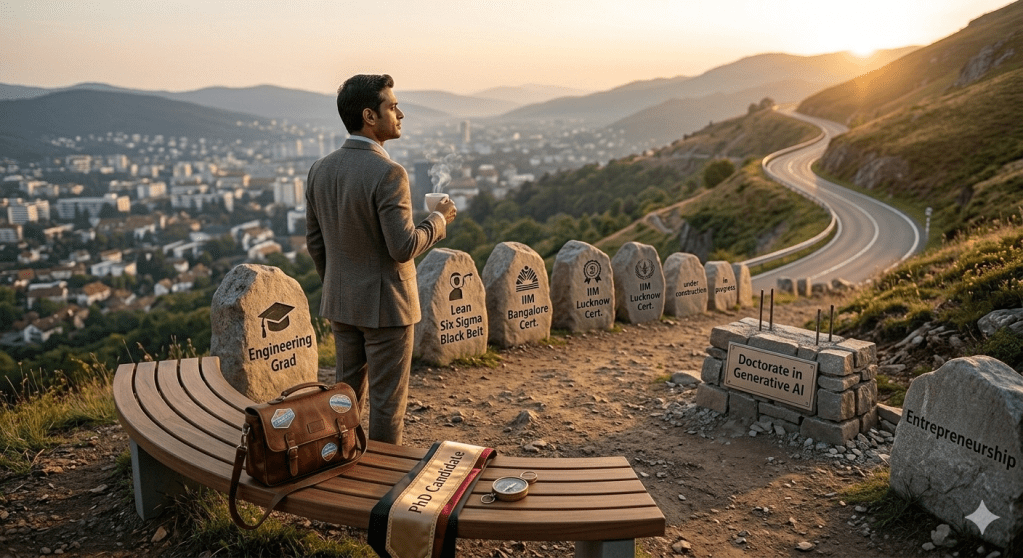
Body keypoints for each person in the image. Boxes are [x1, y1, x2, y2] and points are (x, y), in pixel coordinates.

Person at [305, 74, 456, 444]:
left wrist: (337, 285)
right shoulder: (389, 172)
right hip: (388, 307)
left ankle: (341, 461)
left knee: (345, 398)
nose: (400, 113)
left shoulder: (319, 169)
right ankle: (383, 482)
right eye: (392, 106)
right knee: (388, 405)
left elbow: (314, 242)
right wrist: (438, 221)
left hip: (341, 303)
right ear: (370, 116)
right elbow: (402, 247)